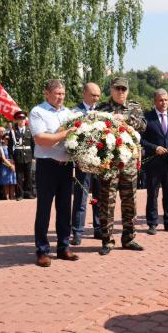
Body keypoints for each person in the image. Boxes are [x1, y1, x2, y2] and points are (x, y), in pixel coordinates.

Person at [29, 79, 79, 267]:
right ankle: (42, 250)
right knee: (44, 209)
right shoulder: (38, 112)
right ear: (47, 93)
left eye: (63, 93)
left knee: (65, 209)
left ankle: (63, 247)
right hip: (47, 166)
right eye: (57, 93)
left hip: (65, 167)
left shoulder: (69, 113)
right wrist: (65, 134)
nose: (61, 97)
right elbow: (41, 139)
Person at [96, 77, 147, 255]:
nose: (121, 92)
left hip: (129, 164)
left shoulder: (134, 107)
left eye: (124, 89)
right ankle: (107, 240)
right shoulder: (102, 108)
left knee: (130, 203)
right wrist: (110, 119)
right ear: (111, 89)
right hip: (109, 164)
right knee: (106, 203)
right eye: (117, 89)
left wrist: (124, 118)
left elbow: (143, 125)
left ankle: (129, 238)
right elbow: (95, 131)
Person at [141, 89, 168, 235]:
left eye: (165, 100)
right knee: (152, 194)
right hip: (154, 163)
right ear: (155, 101)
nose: (164, 102)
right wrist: (155, 147)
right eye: (160, 100)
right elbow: (141, 139)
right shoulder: (146, 118)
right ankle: (152, 223)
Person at [71, 82, 103, 245]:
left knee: (99, 196)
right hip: (83, 162)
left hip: (99, 162)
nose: (96, 98)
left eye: (98, 95)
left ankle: (98, 228)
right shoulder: (74, 113)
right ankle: (77, 232)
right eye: (93, 95)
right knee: (81, 198)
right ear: (84, 94)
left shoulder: (101, 112)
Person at [9, 110, 36, 200]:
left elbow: (33, 144)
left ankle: (28, 193)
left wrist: (33, 157)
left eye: (23, 118)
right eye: (19, 119)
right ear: (17, 120)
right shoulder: (13, 132)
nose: (21, 120)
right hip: (18, 156)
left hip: (28, 156)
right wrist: (11, 158)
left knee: (29, 175)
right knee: (19, 176)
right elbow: (10, 146)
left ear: (25, 120)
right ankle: (20, 194)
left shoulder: (30, 130)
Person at [0, 134, 17, 200]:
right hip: (5, 166)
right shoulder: (1, 147)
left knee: (13, 183)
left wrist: (13, 165)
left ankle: (12, 197)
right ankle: (7, 199)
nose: (7, 140)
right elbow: (3, 158)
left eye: (9, 139)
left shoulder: (14, 147)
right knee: (6, 183)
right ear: (3, 140)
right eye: (6, 139)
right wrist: (10, 165)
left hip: (14, 165)